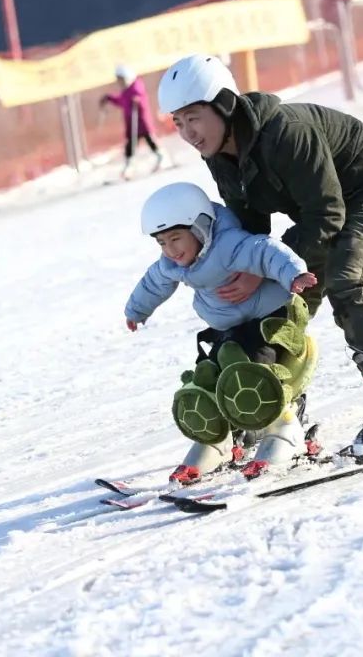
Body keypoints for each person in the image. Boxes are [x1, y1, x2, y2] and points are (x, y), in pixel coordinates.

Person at [156, 54, 363, 455]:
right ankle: (274, 409)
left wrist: (267, 268)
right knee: (275, 298)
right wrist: (246, 275)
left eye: (193, 116)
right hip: (317, 211)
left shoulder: (286, 132)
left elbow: (329, 213)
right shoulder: (219, 154)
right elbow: (251, 228)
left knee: (346, 278)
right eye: (178, 122)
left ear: (224, 104)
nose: (187, 132)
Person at [126, 181, 320, 483]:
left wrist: (293, 274)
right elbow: (154, 282)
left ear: (201, 228)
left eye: (176, 238)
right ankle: (218, 441)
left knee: (252, 374)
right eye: (162, 242)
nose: (171, 250)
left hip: (267, 322)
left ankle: (286, 431)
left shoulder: (228, 246)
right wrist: (136, 310)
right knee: (210, 376)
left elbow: (266, 253)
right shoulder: (173, 263)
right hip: (227, 328)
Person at [99, 65, 165, 178]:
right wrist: (109, 98)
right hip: (131, 124)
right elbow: (121, 102)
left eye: (122, 80)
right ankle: (128, 167)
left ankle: (161, 158)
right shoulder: (125, 91)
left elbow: (139, 96)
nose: (120, 83)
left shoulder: (136, 87)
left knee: (150, 141)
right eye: (119, 81)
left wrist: (137, 100)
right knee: (130, 146)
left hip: (142, 123)